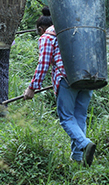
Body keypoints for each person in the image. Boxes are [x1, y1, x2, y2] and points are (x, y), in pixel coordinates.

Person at [24, 9, 96, 165]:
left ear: (41, 29)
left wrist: (32, 87)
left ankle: (85, 144)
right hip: (89, 76)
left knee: (66, 118)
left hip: (67, 78)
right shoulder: (75, 28)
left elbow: (43, 64)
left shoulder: (48, 36)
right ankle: (77, 157)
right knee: (79, 117)